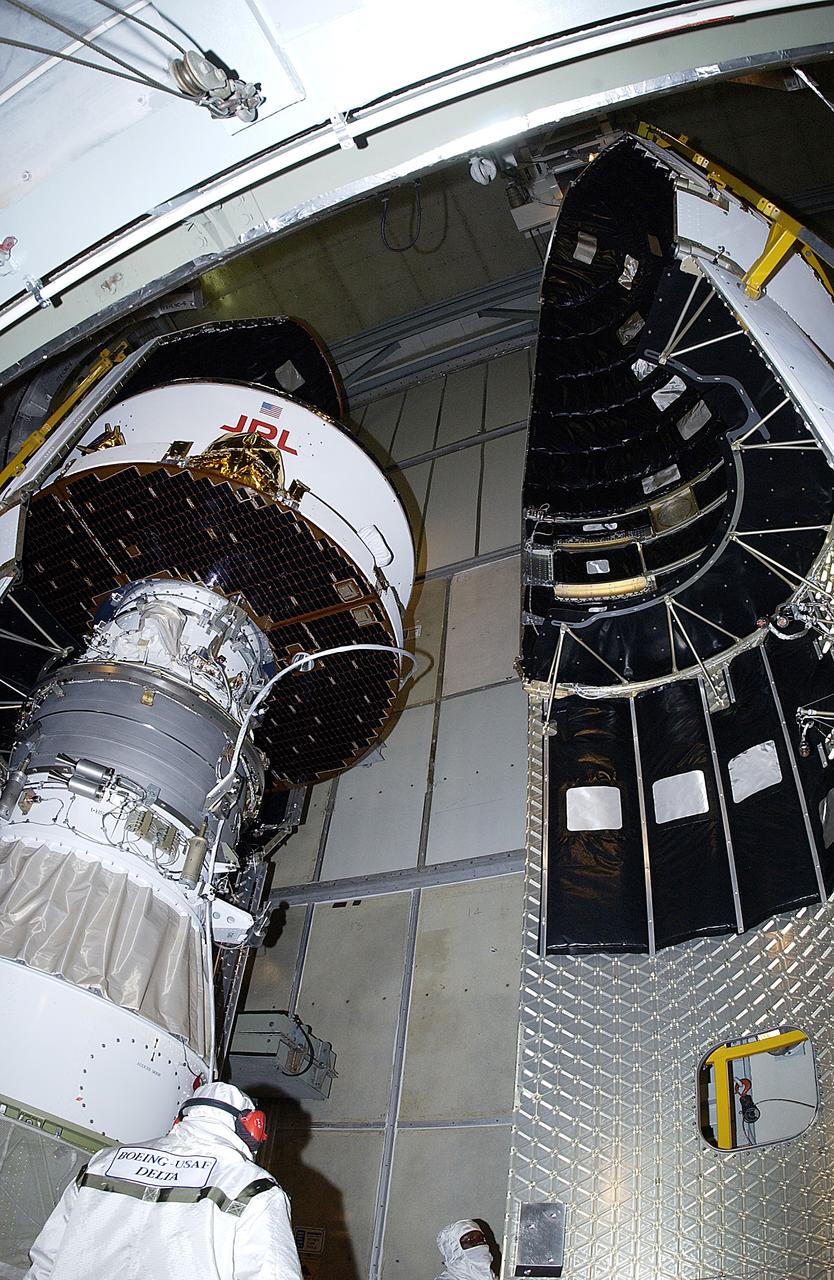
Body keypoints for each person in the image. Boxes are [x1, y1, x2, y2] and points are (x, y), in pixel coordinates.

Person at [26, 1081, 303, 1280]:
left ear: (181, 1119)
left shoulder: (103, 1163)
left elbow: (44, 1260)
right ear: (253, 1127)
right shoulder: (252, 1187)